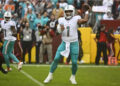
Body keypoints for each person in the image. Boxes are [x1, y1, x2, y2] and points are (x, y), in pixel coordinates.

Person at [44, 5, 87, 84]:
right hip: (64, 43)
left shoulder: (76, 18)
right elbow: (56, 32)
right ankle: (50, 75)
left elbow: (84, 21)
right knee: (56, 58)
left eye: (70, 11)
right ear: (64, 12)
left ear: (73, 11)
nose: (68, 13)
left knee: (74, 62)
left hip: (74, 43)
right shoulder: (61, 20)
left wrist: (87, 12)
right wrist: (59, 29)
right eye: (66, 12)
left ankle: (73, 77)